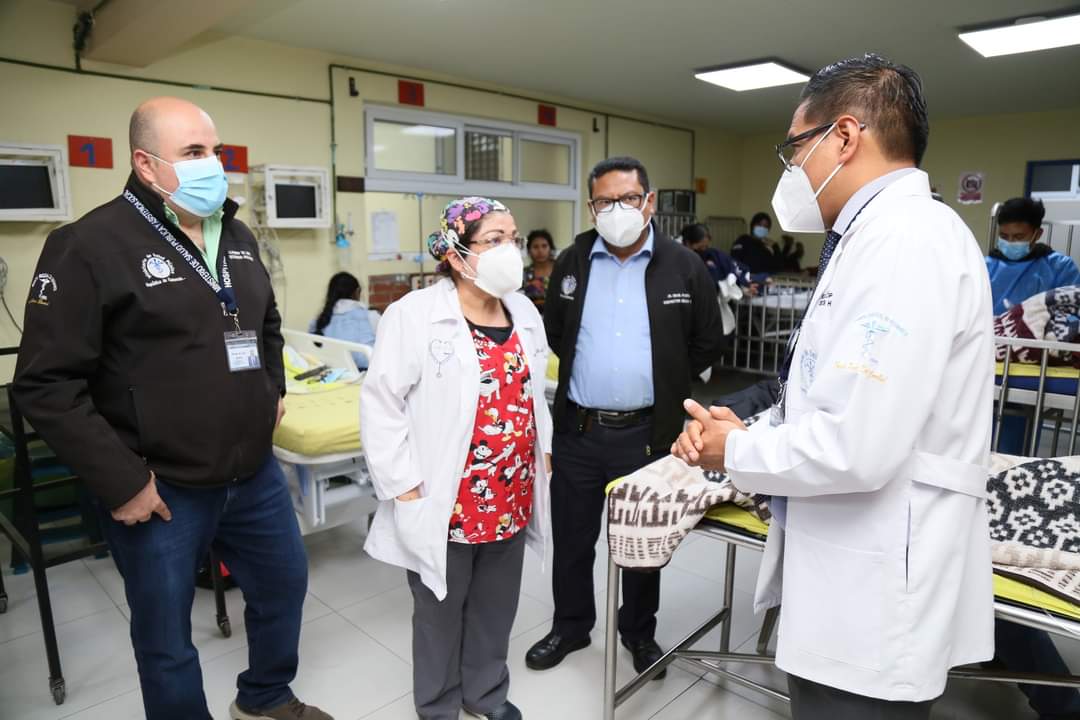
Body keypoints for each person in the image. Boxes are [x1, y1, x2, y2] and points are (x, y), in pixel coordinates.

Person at [673, 54, 994, 718]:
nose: (791, 169)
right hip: (851, 578)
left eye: (795, 148)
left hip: (873, 599)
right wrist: (750, 430)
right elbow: (834, 393)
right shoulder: (873, 237)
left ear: (844, 136)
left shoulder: (906, 241)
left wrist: (733, 452)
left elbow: (857, 443)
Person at [13, 98, 329, 720]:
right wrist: (122, 482)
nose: (213, 164)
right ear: (145, 163)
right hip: (159, 486)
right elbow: (45, 385)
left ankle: (265, 696)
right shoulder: (88, 245)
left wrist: (273, 391)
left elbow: (264, 323)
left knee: (284, 587)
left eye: (216, 151)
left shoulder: (236, 235)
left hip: (254, 473)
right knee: (165, 639)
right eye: (193, 152)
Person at [526, 157, 724, 678]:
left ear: (649, 201)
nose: (617, 210)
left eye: (629, 198)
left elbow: (708, 338)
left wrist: (668, 378)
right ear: (592, 207)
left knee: (642, 544)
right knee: (573, 540)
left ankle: (638, 631)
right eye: (605, 201)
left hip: (648, 435)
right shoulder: (572, 262)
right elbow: (556, 331)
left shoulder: (683, 265)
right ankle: (571, 626)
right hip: (580, 431)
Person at [361, 197, 552, 720]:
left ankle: (485, 693)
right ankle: (439, 705)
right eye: (494, 240)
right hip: (447, 498)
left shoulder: (524, 311)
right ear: (456, 254)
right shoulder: (414, 314)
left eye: (513, 238)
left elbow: (533, 391)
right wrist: (403, 485)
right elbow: (381, 404)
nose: (510, 249)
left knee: (496, 605)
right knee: (439, 610)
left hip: (512, 490)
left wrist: (544, 451)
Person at [986, 197, 1080, 315]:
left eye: (1018, 237)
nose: (1010, 241)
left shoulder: (1060, 267)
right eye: (1004, 236)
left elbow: (1072, 312)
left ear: (1038, 234)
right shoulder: (986, 266)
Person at [309, 271, 376, 369]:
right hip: (366, 372)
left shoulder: (318, 322)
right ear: (357, 292)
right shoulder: (371, 316)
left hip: (333, 373)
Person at [522, 229, 557, 314]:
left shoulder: (561, 269)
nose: (540, 251)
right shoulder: (524, 274)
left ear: (550, 248)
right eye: (535, 247)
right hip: (532, 318)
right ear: (529, 250)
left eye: (544, 246)